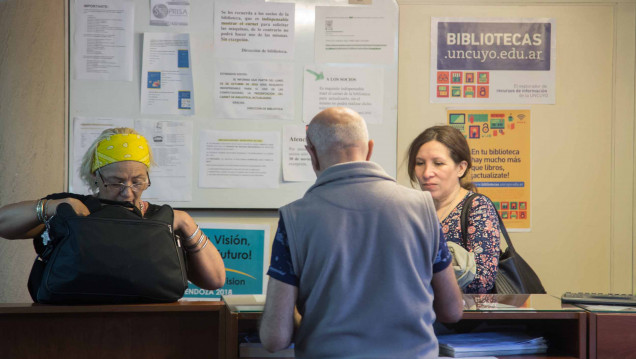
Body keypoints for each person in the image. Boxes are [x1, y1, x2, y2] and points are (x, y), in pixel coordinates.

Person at [259, 107, 463, 358]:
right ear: (369, 148)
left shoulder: (294, 219)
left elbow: (274, 338)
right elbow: (452, 311)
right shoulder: (423, 209)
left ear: (312, 154)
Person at [0, 127, 225, 291]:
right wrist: (50, 207)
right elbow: (4, 224)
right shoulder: (71, 209)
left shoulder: (160, 218)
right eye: (116, 182)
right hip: (70, 324)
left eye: (137, 181)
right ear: (94, 176)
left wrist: (186, 223)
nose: (127, 192)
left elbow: (215, 280)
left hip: (148, 327)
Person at [407, 125, 500, 294]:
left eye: (438, 163)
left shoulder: (477, 207)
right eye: (420, 163)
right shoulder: (412, 211)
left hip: (463, 316)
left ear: (461, 168)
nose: (427, 173)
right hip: (420, 316)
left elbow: (481, 280)